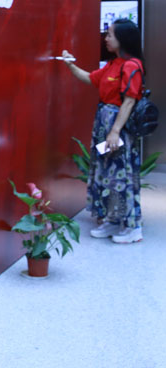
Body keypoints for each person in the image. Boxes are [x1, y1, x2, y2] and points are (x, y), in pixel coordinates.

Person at [62, 18, 145, 243]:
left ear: (123, 39)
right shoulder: (113, 64)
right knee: (106, 173)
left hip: (118, 128)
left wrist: (115, 131)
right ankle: (112, 220)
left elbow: (129, 101)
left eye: (110, 35)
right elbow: (90, 78)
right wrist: (70, 64)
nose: (106, 38)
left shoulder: (132, 65)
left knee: (121, 174)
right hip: (104, 125)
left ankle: (132, 227)